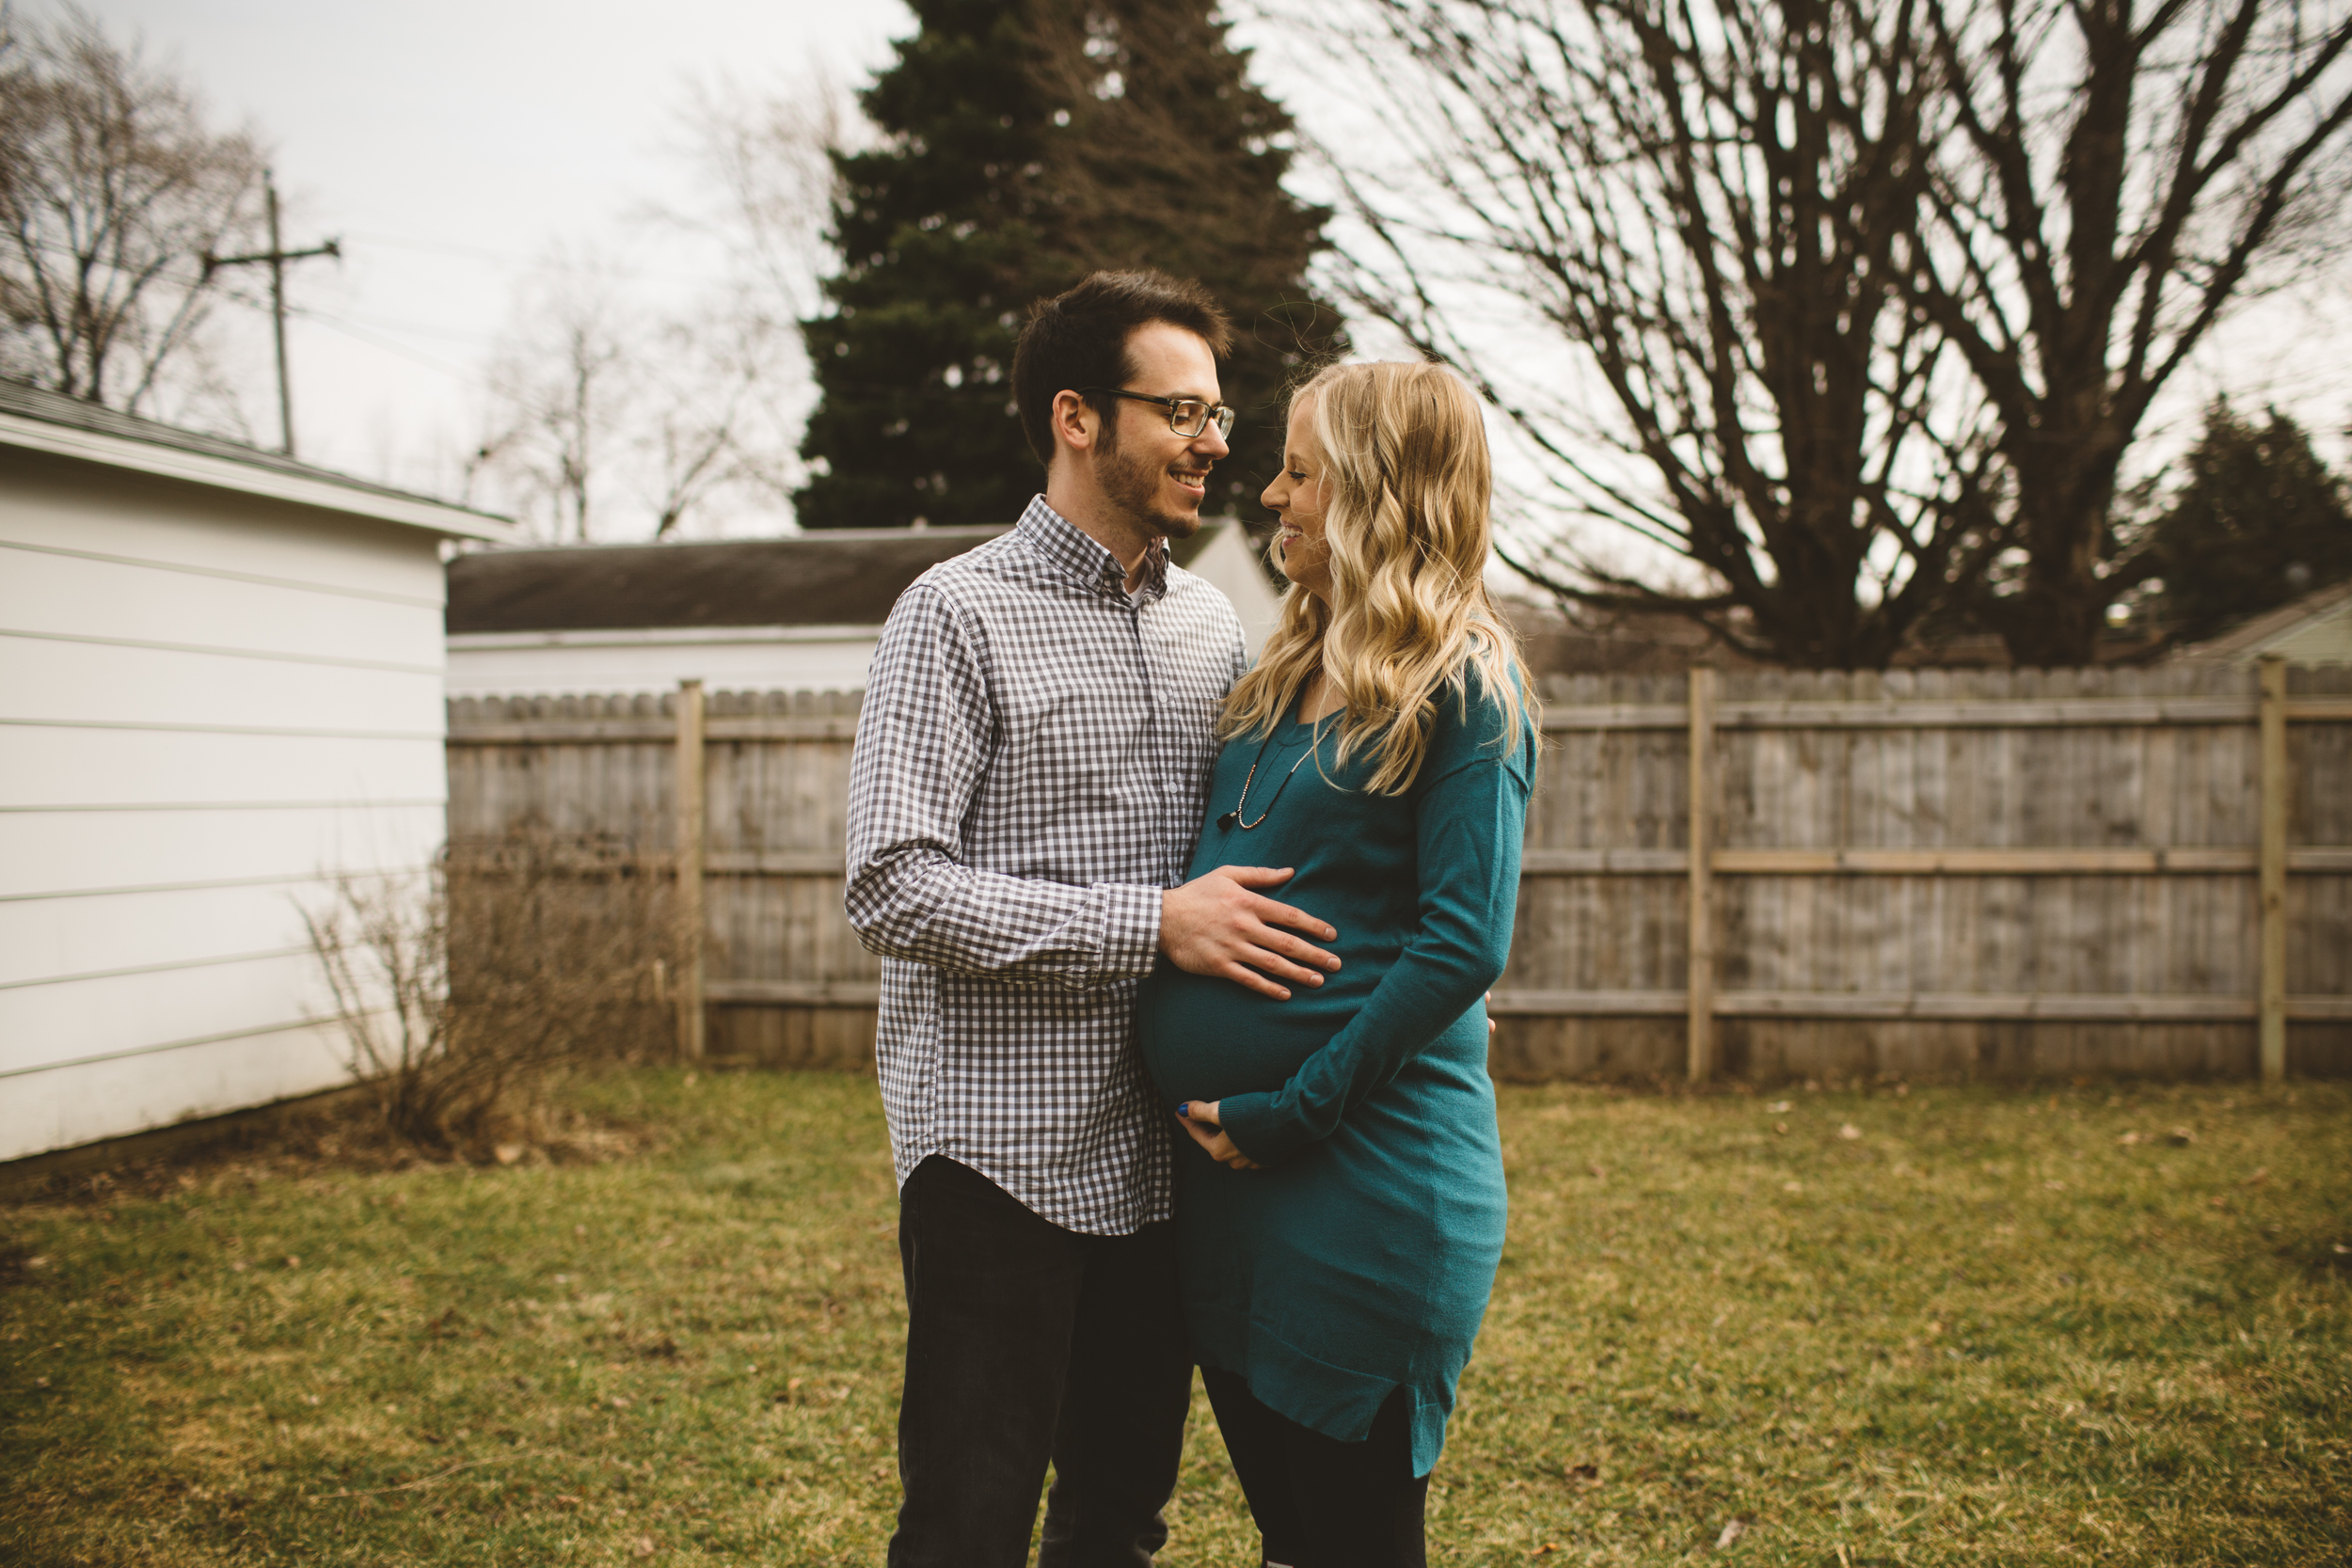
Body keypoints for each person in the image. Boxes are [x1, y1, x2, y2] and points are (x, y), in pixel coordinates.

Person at [843, 269, 1343, 1568]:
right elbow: (891, 880)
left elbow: (1260, 847)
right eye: (1180, 408)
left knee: (1117, 1520)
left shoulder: (1212, 629)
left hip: (1160, 1154)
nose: (1217, 440)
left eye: (1219, 410)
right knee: (967, 1522)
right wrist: (1149, 926)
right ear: (1077, 416)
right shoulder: (952, 614)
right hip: (995, 1155)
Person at [1139, 360, 1538, 1568]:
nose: (1268, 493)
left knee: (1356, 1542)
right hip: (1228, 1188)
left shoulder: (1465, 685)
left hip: (1359, 1180)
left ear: (1377, 492)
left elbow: (1464, 940)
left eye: (1301, 473)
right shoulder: (1273, 676)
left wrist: (1292, 1110)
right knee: (1291, 1538)